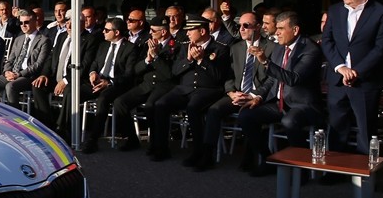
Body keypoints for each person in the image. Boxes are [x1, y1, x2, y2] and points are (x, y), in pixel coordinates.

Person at [237, 11, 324, 175]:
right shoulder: (279, 48)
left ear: (295, 30)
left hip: (303, 105)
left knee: (289, 121)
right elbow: (272, 79)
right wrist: (258, 96)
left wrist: (265, 61)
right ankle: (270, 159)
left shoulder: (310, 49)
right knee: (246, 116)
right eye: (276, 28)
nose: (276, 32)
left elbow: (293, 79)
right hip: (280, 103)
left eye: (281, 29)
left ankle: (301, 170)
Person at [321, 0, 383, 156]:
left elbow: (381, 47)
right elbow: (327, 41)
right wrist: (341, 67)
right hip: (338, 79)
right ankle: (335, 170)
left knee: (365, 128)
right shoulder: (335, 11)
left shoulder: (382, 13)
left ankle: (363, 176)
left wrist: (356, 71)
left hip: (366, 80)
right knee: (337, 126)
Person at [187, 12, 274, 170]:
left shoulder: (271, 47)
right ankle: (207, 154)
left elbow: (272, 78)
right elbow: (228, 75)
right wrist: (231, 92)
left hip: (258, 95)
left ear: (258, 27)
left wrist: (254, 95)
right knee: (214, 110)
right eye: (240, 25)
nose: (241, 29)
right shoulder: (236, 47)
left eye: (246, 25)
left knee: (248, 115)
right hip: (237, 93)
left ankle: (250, 157)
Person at [148, 17, 231, 161]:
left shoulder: (220, 48)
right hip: (184, 89)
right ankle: (161, 148)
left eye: (191, 31)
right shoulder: (185, 47)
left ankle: (199, 152)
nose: (187, 34)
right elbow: (174, 71)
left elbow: (219, 77)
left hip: (207, 89)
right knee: (160, 104)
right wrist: (188, 61)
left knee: (193, 108)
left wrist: (201, 60)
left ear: (202, 31)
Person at [112, 16, 177, 152]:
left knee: (151, 106)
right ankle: (132, 138)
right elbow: (136, 69)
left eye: (153, 31)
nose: (150, 33)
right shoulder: (148, 44)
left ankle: (157, 145)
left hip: (163, 86)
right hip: (146, 84)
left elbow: (169, 74)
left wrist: (157, 57)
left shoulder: (175, 46)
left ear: (163, 32)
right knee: (120, 102)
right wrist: (148, 59)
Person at [77, 17, 139, 153]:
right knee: (74, 91)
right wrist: (93, 73)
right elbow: (95, 63)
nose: (103, 32)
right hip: (98, 80)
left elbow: (129, 74)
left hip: (116, 84)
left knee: (104, 98)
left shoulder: (130, 48)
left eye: (106, 30)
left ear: (116, 32)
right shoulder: (103, 45)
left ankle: (93, 140)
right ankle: (66, 129)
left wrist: (109, 83)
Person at [0, 8, 49, 105]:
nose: (23, 25)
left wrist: (19, 74)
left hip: (28, 76)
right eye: (21, 23)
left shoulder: (43, 40)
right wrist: (7, 71)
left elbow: (38, 65)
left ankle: (14, 117)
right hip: (12, 73)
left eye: (26, 22)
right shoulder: (18, 39)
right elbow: (10, 60)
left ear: (34, 21)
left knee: (10, 86)